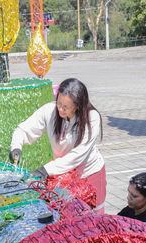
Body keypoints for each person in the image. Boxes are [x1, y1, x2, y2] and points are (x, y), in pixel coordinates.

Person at [10, 78, 106, 213]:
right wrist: (16, 146)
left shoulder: (91, 117)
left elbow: (77, 155)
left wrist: (45, 170)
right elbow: (24, 130)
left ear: (78, 105)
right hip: (62, 172)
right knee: (67, 215)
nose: (60, 109)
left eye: (66, 107)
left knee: (92, 218)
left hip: (88, 173)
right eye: (59, 103)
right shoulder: (49, 110)